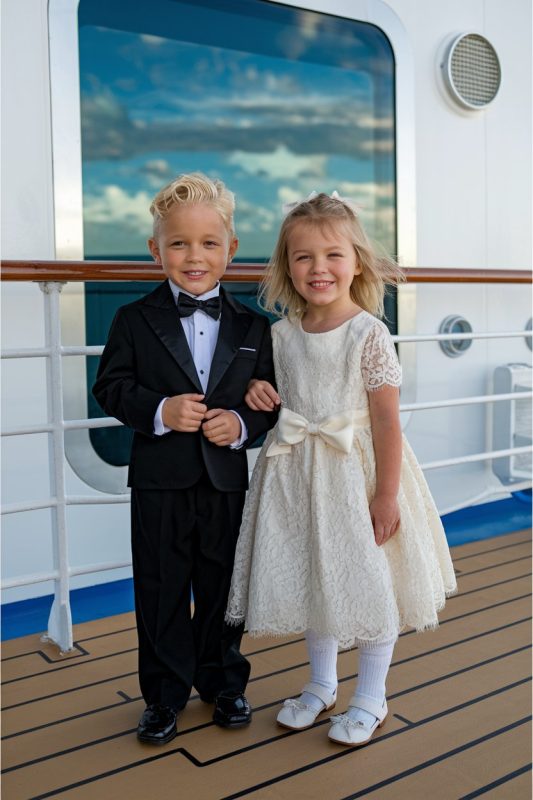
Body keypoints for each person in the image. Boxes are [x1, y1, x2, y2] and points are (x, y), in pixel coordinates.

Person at [225, 191, 457, 747]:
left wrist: (386, 495)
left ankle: (371, 696)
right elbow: (285, 392)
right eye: (303, 257)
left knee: (369, 583)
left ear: (357, 261)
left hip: (357, 474)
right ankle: (322, 682)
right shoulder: (282, 334)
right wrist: (261, 390)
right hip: (297, 473)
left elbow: (386, 423)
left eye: (332, 255)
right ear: (286, 266)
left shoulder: (368, 332)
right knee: (316, 575)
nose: (318, 269)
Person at [93, 173, 277, 745]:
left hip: (226, 482)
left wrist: (244, 423)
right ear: (156, 250)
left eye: (208, 243)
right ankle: (164, 695)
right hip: (159, 481)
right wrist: (160, 410)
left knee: (224, 587)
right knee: (160, 586)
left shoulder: (254, 326)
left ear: (231, 250)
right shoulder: (132, 319)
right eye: (178, 243)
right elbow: (111, 387)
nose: (194, 256)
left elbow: (270, 400)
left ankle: (223, 683)